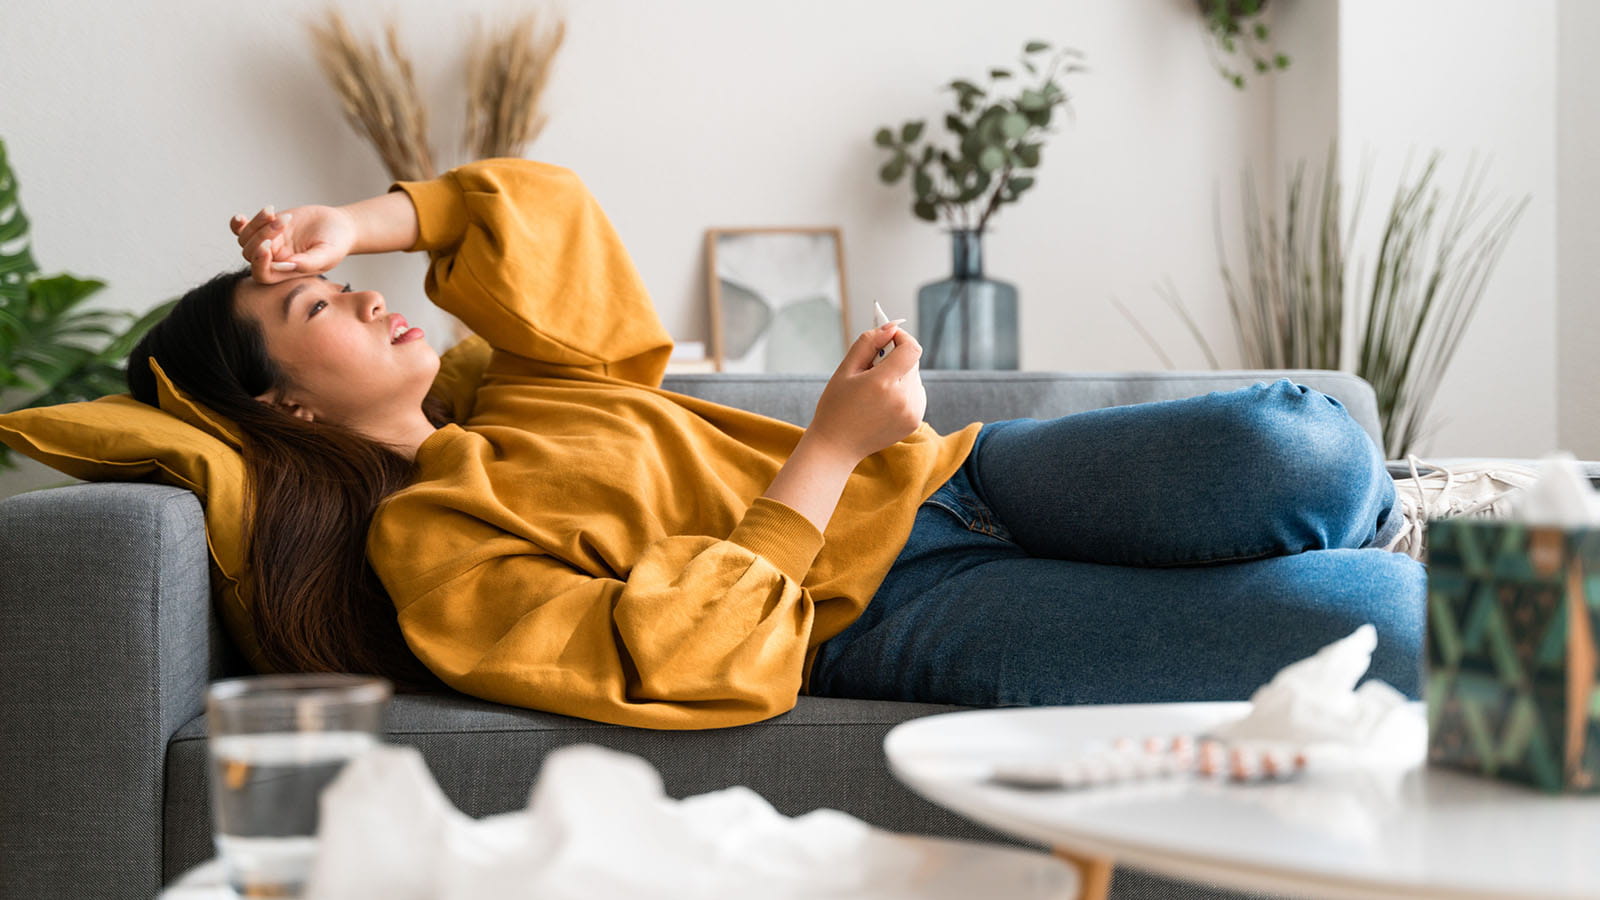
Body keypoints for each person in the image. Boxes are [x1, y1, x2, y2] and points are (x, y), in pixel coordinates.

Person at [127, 158, 1425, 730]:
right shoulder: (435, 537)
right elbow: (690, 662)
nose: (359, 299)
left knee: (1298, 446)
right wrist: (826, 453)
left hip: (952, 475)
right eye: (313, 311)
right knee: (1384, 621)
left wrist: (351, 226)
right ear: (284, 409)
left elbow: (544, 209)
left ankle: (1391, 512)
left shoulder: (510, 385)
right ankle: (1438, 568)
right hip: (888, 602)